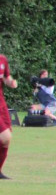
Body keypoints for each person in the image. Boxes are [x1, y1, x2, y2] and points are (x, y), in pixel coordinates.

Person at [0, 51, 17, 179]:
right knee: (5, 136)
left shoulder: (2, 60)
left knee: (6, 140)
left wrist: (10, 82)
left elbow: (6, 78)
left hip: (1, 104)